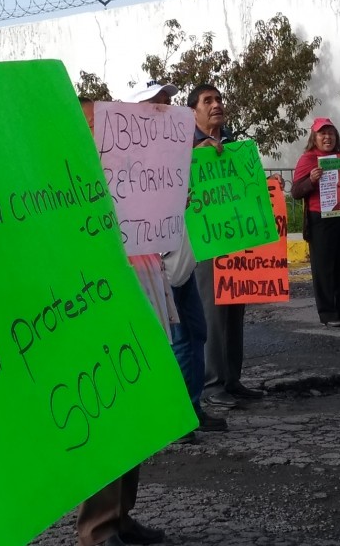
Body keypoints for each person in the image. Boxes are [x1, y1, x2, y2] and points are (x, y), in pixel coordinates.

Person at [78, 95, 174, 546]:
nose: (102, 131)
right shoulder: (65, 178)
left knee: (136, 408)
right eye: (92, 123)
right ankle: (98, 528)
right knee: (110, 411)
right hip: (99, 297)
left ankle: (120, 516)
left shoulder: (132, 169)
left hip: (144, 282)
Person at [124, 83, 228, 435]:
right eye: (156, 104)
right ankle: (178, 417)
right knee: (177, 339)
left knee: (194, 334)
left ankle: (190, 408)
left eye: (168, 102)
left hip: (181, 261)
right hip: (156, 265)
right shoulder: (133, 154)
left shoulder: (179, 149)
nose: (165, 108)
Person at [189, 83, 266, 409]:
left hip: (236, 238)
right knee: (212, 312)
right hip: (205, 241)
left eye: (219, 99)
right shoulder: (185, 144)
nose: (216, 104)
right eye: (208, 100)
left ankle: (232, 378)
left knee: (236, 309)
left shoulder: (233, 143)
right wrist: (197, 152)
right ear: (194, 109)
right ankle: (212, 383)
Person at [292, 117, 340, 326]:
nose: (327, 137)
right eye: (323, 133)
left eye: (331, 133)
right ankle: (328, 313)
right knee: (323, 268)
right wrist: (311, 180)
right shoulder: (308, 159)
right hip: (320, 220)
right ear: (314, 138)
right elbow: (296, 191)